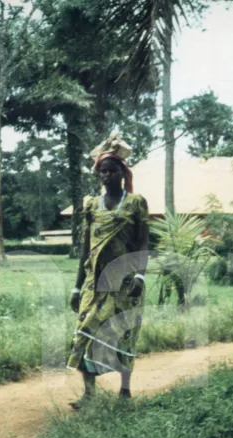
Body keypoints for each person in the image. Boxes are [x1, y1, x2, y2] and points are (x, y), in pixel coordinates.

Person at [67, 133, 150, 410]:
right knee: (84, 332)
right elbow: (85, 249)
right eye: (102, 172)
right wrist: (77, 287)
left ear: (122, 172)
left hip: (125, 282)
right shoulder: (91, 205)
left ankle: (124, 392)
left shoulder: (136, 203)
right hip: (95, 283)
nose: (107, 176)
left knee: (123, 335)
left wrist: (140, 275)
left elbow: (142, 242)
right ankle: (88, 394)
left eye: (112, 171)